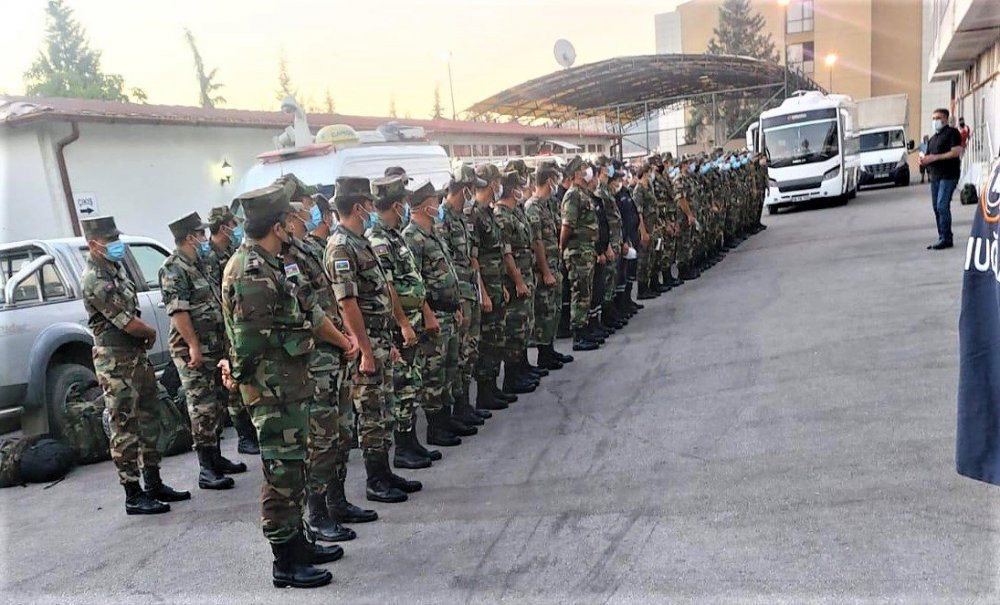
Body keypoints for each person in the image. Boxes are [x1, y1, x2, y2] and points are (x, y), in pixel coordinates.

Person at [220, 182, 344, 588]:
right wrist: (235, 374)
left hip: (292, 385)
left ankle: (299, 544)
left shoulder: (277, 262)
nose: (295, 224)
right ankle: (284, 562)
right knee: (281, 474)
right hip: (271, 393)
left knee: (296, 469)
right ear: (277, 226)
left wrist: (343, 343)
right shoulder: (251, 271)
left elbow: (307, 308)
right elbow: (248, 342)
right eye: (288, 220)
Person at [80, 216, 189, 515]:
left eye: (116, 238)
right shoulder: (95, 279)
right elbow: (126, 321)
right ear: (93, 244)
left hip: (135, 356)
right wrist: (151, 332)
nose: (116, 245)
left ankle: (153, 482)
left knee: (151, 416)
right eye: (109, 240)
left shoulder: (114, 268)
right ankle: (133, 493)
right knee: (124, 425)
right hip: (115, 360)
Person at [325, 176, 418, 505]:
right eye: (366, 203)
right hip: (366, 345)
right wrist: (365, 350)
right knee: (371, 413)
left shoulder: (359, 240)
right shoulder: (341, 246)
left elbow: (378, 292)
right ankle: (375, 480)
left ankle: (385, 471)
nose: (371, 208)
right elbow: (346, 303)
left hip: (379, 338)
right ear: (356, 207)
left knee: (384, 410)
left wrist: (387, 338)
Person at [277, 183, 360, 544]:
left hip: (335, 355)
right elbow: (308, 309)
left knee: (341, 433)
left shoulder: (307, 247)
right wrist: (343, 339)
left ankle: (338, 500)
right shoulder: (285, 260)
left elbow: (329, 301)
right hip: (316, 360)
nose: (307, 216)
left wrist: (345, 337)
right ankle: (318, 511)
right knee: (321, 440)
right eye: (300, 213)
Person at [367, 175, 457, 462]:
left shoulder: (393, 235)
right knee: (403, 387)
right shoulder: (379, 239)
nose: (407, 206)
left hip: (415, 319)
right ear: (396, 205)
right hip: (398, 327)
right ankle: (403, 448)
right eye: (404, 202)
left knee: (413, 383)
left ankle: (411, 442)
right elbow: (388, 285)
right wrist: (404, 323)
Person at [159, 211, 244, 492]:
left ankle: (216, 457)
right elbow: (179, 312)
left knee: (219, 400)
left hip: (215, 343)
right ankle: (206, 468)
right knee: (202, 406)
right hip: (192, 349)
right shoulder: (173, 268)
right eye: (200, 233)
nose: (205, 238)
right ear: (188, 238)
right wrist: (193, 345)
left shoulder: (201, 261)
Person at [403, 181, 477, 442]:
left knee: (449, 368)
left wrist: (456, 306)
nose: (438, 205)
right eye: (434, 202)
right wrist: (427, 313)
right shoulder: (412, 237)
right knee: (433, 372)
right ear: (425, 206)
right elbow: (415, 280)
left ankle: (447, 419)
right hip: (433, 314)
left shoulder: (433, 233)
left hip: (448, 312)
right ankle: (435, 428)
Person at [440, 165, 501, 416]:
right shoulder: (441, 219)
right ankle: (457, 408)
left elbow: (471, 259)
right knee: (458, 353)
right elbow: (444, 266)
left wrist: (480, 291)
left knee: (470, 349)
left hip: (470, 291)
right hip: (457, 296)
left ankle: (465, 405)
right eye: (471, 187)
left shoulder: (460, 218)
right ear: (464, 188)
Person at [205, 206, 259, 456]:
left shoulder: (230, 252)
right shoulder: (208, 257)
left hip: (232, 325)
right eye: (231, 224)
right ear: (223, 226)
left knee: (238, 380)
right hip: (219, 327)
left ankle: (247, 433)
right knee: (230, 384)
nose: (235, 229)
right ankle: (243, 435)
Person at [494, 170, 540, 392]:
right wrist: (519, 281)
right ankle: (511, 379)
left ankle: (523, 367)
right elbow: (506, 253)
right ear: (511, 189)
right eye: (518, 186)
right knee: (514, 328)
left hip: (526, 274)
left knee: (525, 324)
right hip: (515, 279)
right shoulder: (501, 215)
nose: (522, 190)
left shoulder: (516, 211)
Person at [525, 166, 574, 370]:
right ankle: (544, 355)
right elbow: (537, 243)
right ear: (548, 181)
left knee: (553, 310)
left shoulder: (549, 204)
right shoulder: (532, 207)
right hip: (543, 268)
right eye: (555, 179)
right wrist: (545, 272)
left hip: (554, 263)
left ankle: (551, 350)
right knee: (544, 312)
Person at [559, 156, 601, 351]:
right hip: (577, 253)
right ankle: (578, 335)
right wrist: (562, 248)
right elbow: (567, 225)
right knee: (580, 292)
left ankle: (585, 329)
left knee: (586, 292)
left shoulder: (583, 193)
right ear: (577, 173)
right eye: (584, 168)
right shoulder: (573, 194)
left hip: (586, 251)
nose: (587, 171)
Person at [919, 107, 964, 250]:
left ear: (945, 118)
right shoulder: (932, 139)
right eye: (933, 119)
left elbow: (956, 152)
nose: (935, 121)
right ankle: (941, 236)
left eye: (938, 118)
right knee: (936, 207)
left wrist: (935, 157)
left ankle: (946, 237)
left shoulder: (952, 133)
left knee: (942, 205)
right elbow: (927, 155)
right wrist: (923, 160)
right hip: (935, 176)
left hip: (948, 175)